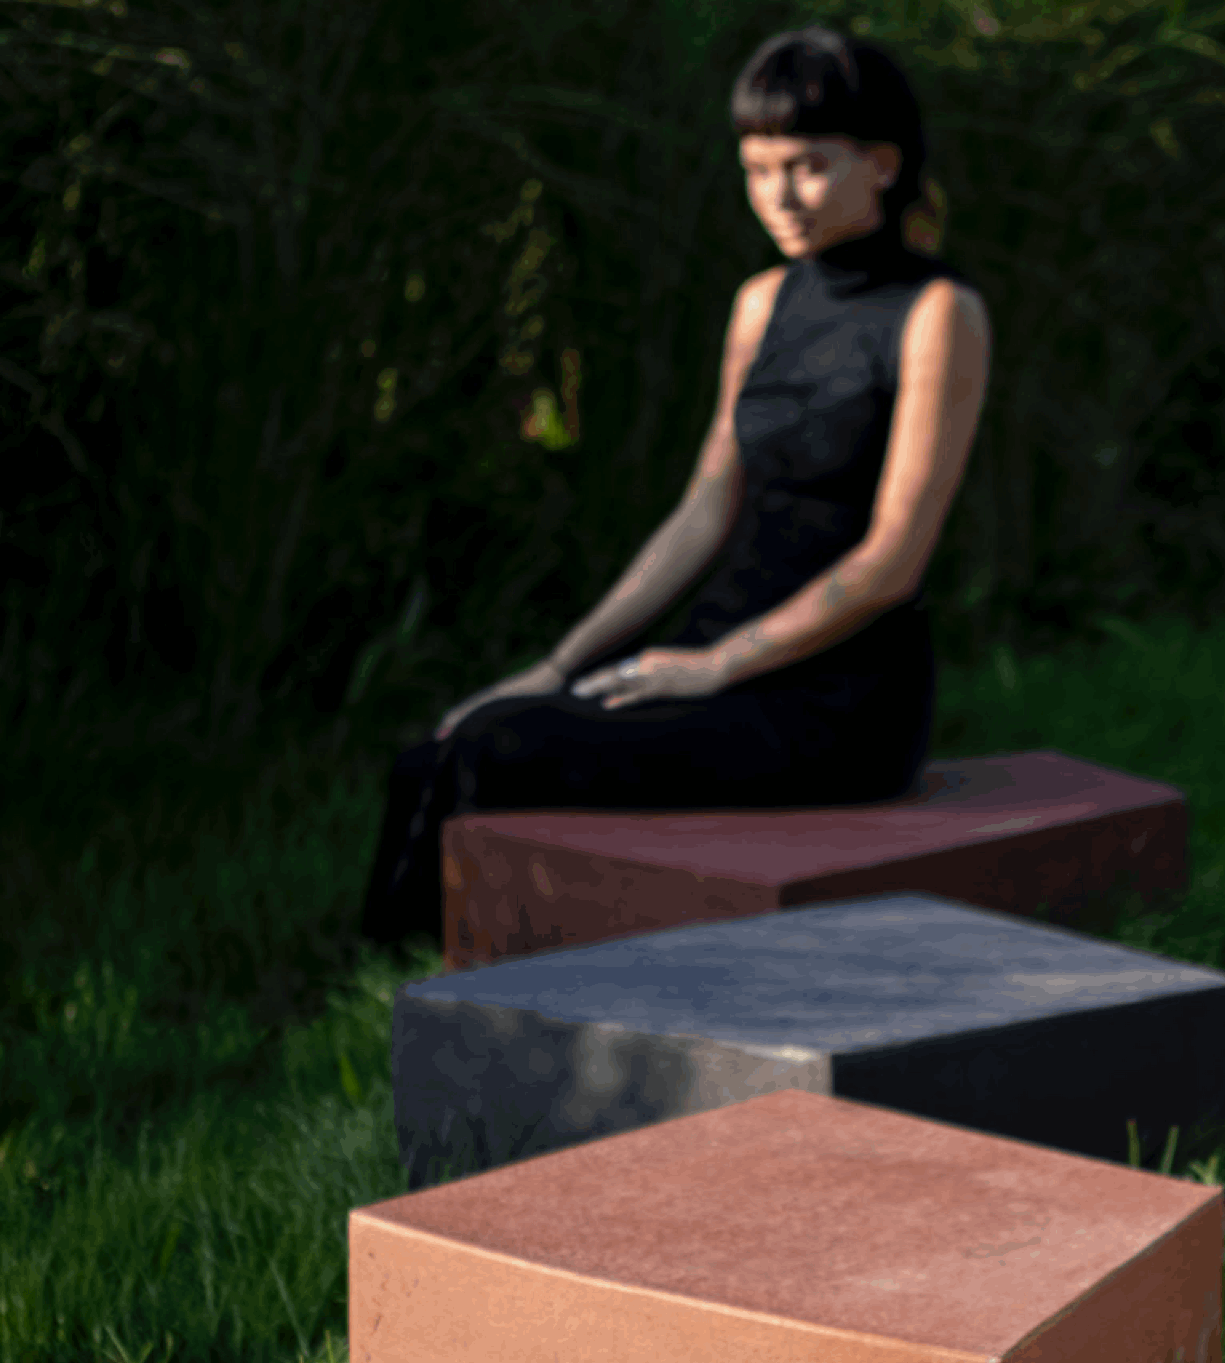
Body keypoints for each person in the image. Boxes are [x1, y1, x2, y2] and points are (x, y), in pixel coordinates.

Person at [360, 27, 992, 948]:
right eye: (757, 170)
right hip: (714, 654)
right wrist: (559, 665)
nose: (779, 197)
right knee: (441, 750)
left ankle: (426, 991)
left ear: (884, 165)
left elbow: (892, 560)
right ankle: (380, 991)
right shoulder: (761, 302)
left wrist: (718, 666)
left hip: (838, 701)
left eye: (809, 167)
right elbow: (703, 511)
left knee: (499, 754)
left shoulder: (938, 312)